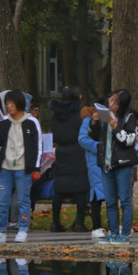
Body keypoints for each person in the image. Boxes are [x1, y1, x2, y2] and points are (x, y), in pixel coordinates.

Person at [0, 90, 42, 244]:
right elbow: (0, 141)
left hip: (24, 167)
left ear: (19, 103)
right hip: (5, 166)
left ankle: (22, 229)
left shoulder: (31, 122)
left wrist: (36, 167)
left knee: (23, 200)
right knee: (2, 200)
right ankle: (0, 230)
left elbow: (37, 145)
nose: (9, 106)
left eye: (12, 103)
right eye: (7, 104)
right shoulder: (5, 121)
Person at [89, 89, 138, 246]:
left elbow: (128, 140)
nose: (110, 104)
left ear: (122, 104)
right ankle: (113, 233)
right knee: (110, 201)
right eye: (110, 101)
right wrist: (95, 122)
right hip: (107, 164)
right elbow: (95, 136)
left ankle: (124, 234)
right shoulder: (106, 116)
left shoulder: (130, 117)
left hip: (123, 164)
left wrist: (115, 126)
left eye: (114, 102)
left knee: (125, 200)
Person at [49, 85, 90, 233]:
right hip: (78, 151)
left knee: (59, 190)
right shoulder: (80, 113)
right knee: (80, 188)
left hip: (61, 151)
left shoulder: (56, 114)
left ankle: (55, 223)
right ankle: (80, 223)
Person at [79, 100, 107, 239]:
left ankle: (113, 225)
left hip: (108, 159)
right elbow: (82, 139)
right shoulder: (88, 120)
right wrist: (99, 147)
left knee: (110, 193)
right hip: (95, 160)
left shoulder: (109, 118)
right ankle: (96, 226)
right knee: (96, 193)